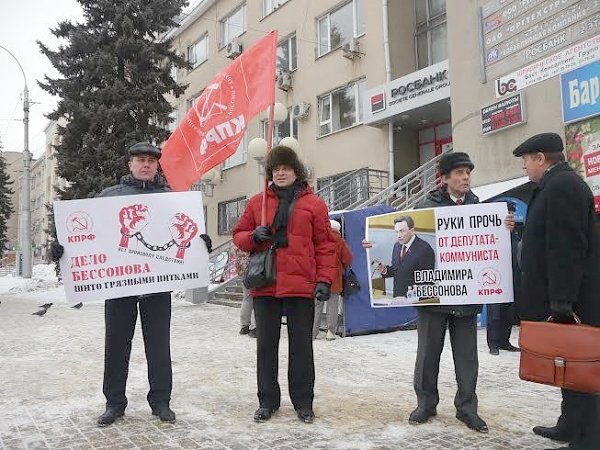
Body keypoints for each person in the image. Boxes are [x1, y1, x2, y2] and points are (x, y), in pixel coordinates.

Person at [51, 142, 212, 427]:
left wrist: (200, 245)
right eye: (140, 160)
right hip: (118, 287)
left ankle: (161, 401)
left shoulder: (170, 198)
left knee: (159, 346)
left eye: (151, 160)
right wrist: (65, 250)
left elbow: (185, 233)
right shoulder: (109, 197)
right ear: (130, 164)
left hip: (157, 286)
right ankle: (114, 403)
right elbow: (90, 237)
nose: (146, 164)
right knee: (116, 346)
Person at [363, 152, 513, 433]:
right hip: (433, 301)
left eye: (468, 172)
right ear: (444, 179)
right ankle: (426, 404)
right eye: (458, 173)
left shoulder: (479, 207)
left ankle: (467, 408)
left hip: (466, 298)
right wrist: (373, 249)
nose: (465, 177)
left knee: (467, 357)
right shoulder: (425, 208)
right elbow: (404, 267)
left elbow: (491, 249)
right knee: (428, 354)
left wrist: (506, 230)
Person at [232, 145, 335, 424]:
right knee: (266, 346)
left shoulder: (314, 204)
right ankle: (267, 401)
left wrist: (324, 279)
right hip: (266, 285)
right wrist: (254, 235)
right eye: (275, 169)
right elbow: (238, 236)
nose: (280, 173)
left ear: (296, 171)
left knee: (301, 347)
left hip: (301, 285)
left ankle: (303, 402)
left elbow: (326, 245)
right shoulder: (257, 203)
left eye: (285, 168)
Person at [513, 132, 600, 449]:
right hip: (564, 297)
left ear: (540, 158)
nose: (525, 167)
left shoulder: (562, 186)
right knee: (569, 364)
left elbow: (566, 247)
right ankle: (569, 424)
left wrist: (562, 300)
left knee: (583, 367)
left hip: (572, 300)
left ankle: (589, 437)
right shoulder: (554, 185)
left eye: (526, 161)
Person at [373, 215, 435, 299]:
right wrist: (385, 270)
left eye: (401, 231)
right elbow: (398, 270)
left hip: (415, 304)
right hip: (397, 300)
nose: (398, 235)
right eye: (396, 232)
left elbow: (427, 282)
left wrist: (409, 298)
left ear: (412, 231)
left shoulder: (425, 249)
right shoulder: (397, 246)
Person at [313, 219, 352, 341]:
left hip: (319, 277)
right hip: (334, 277)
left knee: (317, 304)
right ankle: (330, 332)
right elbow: (348, 258)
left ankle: (313, 332)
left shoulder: (318, 240)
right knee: (332, 305)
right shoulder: (340, 242)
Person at [234, 247, 256, 338]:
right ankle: (254, 327)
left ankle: (244, 326)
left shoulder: (240, 240)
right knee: (257, 298)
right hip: (255, 270)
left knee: (247, 298)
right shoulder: (253, 237)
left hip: (243, 271)